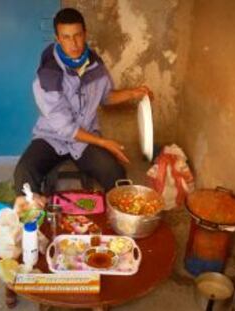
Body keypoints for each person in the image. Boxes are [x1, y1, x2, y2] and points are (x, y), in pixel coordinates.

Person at [13, 8, 152, 208]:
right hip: (52, 137)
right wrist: (104, 143)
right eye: (66, 37)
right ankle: (35, 226)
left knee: (115, 173)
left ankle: (114, 221)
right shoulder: (48, 75)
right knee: (24, 174)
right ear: (57, 38)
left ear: (85, 34)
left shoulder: (95, 66)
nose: (74, 43)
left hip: (85, 138)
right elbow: (66, 129)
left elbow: (105, 97)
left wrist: (133, 93)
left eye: (77, 35)